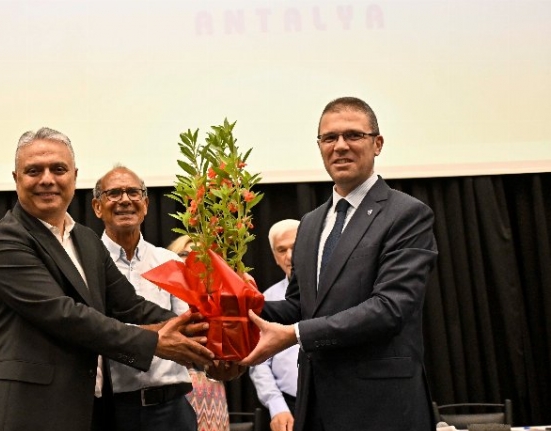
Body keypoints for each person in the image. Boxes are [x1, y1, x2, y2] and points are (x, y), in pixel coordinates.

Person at [0, 127, 214, 431]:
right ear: (16, 178)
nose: (47, 179)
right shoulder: (4, 239)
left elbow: (131, 306)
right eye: (34, 170)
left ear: (74, 176)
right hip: (28, 411)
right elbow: (65, 316)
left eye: (58, 169)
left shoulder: (86, 241)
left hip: (91, 410)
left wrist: (206, 334)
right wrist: (153, 342)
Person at [240, 97, 438, 431]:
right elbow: (300, 305)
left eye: (353, 135)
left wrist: (296, 335)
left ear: (378, 144)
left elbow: (389, 309)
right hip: (315, 404)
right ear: (319, 146)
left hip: (382, 408)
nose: (340, 146)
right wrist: (247, 301)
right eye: (329, 138)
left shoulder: (406, 214)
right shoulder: (311, 223)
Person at [91, 166, 197, 431]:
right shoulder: (86, 263)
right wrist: (153, 340)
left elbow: (186, 326)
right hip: (111, 412)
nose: (125, 200)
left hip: (172, 410)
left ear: (146, 204)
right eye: (113, 193)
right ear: (97, 207)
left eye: (133, 193)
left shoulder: (170, 261)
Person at [167, 234, 230, 431]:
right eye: (184, 253)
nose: (190, 258)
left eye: (198, 254)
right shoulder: (156, 298)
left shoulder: (218, 302)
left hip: (211, 392)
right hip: (173, 392)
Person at [248, 219, 300, 431]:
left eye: (295, 247)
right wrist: (277, 406)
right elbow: (259, 362)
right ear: (274, 257)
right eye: (281, 250)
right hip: (287, 407)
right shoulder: (266, 300)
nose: (289, 256)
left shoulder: (333, 293)